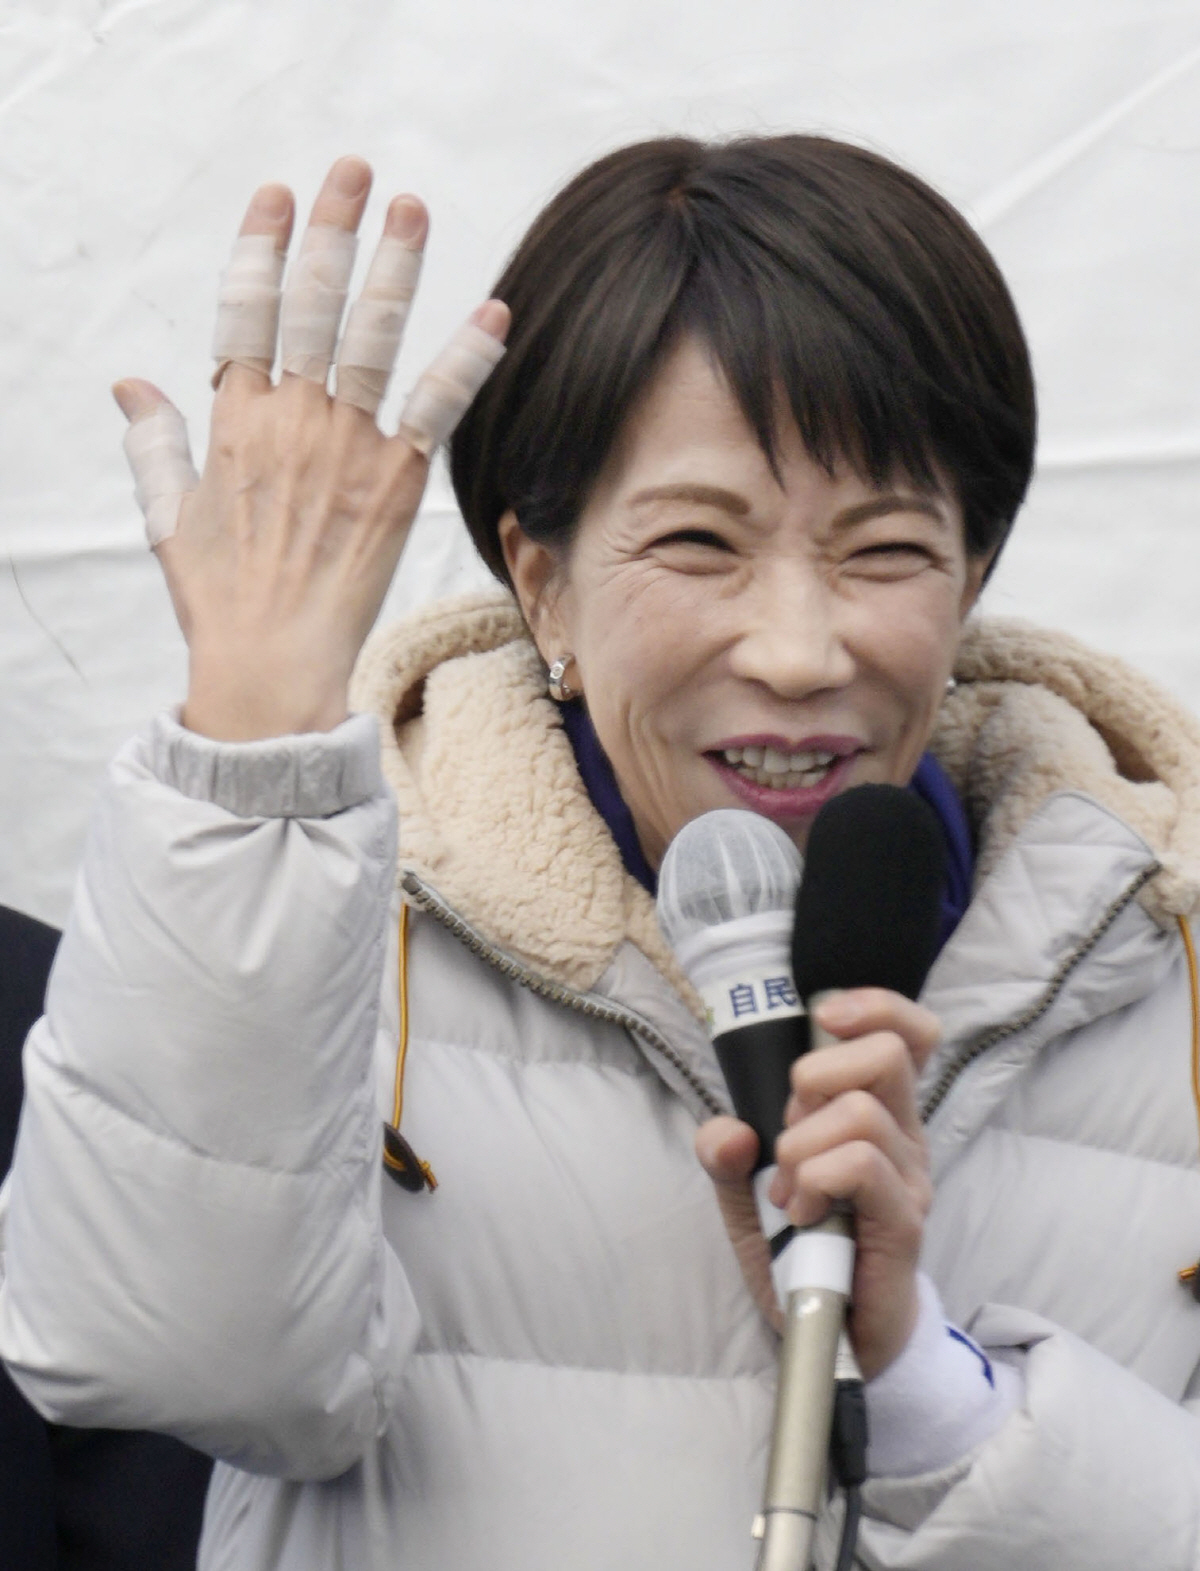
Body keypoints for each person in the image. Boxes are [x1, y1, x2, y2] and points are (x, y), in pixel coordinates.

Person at [1, 136, 1199, 1571]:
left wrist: (929, 1392)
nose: (800, 651)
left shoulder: (1162, 966)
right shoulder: (326, 911)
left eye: (884, 550)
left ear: (974, 573)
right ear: (542, 581)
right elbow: (165, 1358)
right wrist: (253, 735)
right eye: (699, 543)